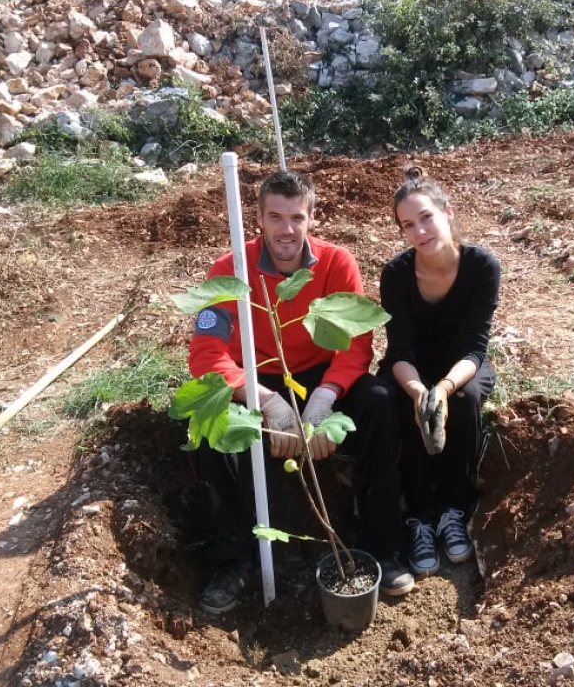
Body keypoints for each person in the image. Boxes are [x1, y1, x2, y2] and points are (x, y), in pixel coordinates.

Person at [186, 170, 414, 614]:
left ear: (311, 218)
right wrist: (265, 402)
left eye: (296, 217)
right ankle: (232, 560)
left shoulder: (335, 263)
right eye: (275, 217)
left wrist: (326, 398)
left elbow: (355, 341)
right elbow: (206, 355)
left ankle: (382, 545)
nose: (286, 229)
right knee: (203, 421)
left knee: (381, 402)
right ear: (258, 217)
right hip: (258, 381)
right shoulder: (227, 272)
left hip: (319, 375)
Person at [378, 167, 500, 578]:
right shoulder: (396, 274)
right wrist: (418, 393)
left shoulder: (482, 267)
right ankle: (418, 517)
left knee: (463, 404)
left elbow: (474, 346)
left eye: (426, 217)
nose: (419, 231)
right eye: (408, 225)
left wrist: (444, 390)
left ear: (447, 213)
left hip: (461, 366)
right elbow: (398, 349)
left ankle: (453, 508)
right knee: (396, 407)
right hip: (410, 366)